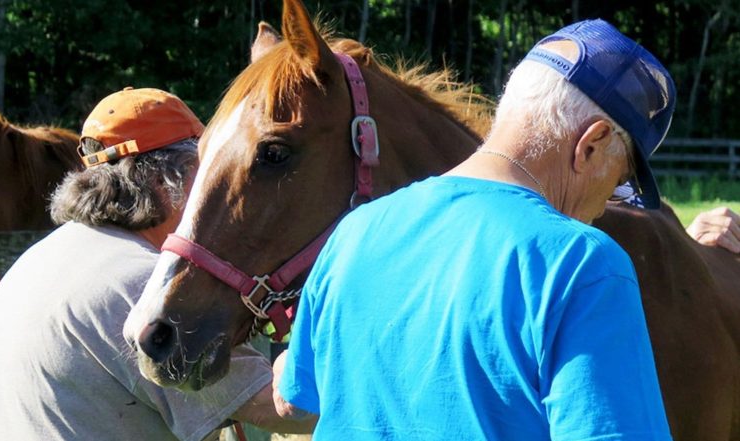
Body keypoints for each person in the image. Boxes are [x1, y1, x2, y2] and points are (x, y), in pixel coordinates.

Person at [274, 20, 676, 440]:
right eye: (621, 180)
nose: (605, 205)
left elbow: (296, 399)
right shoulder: (581, 263)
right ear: (591, 143)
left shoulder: (353, 233)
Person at [0, 88, 314, 440]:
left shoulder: (35, 260)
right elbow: (290, 411)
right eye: (206, 170)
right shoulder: (148, 286)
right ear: (166, 181)